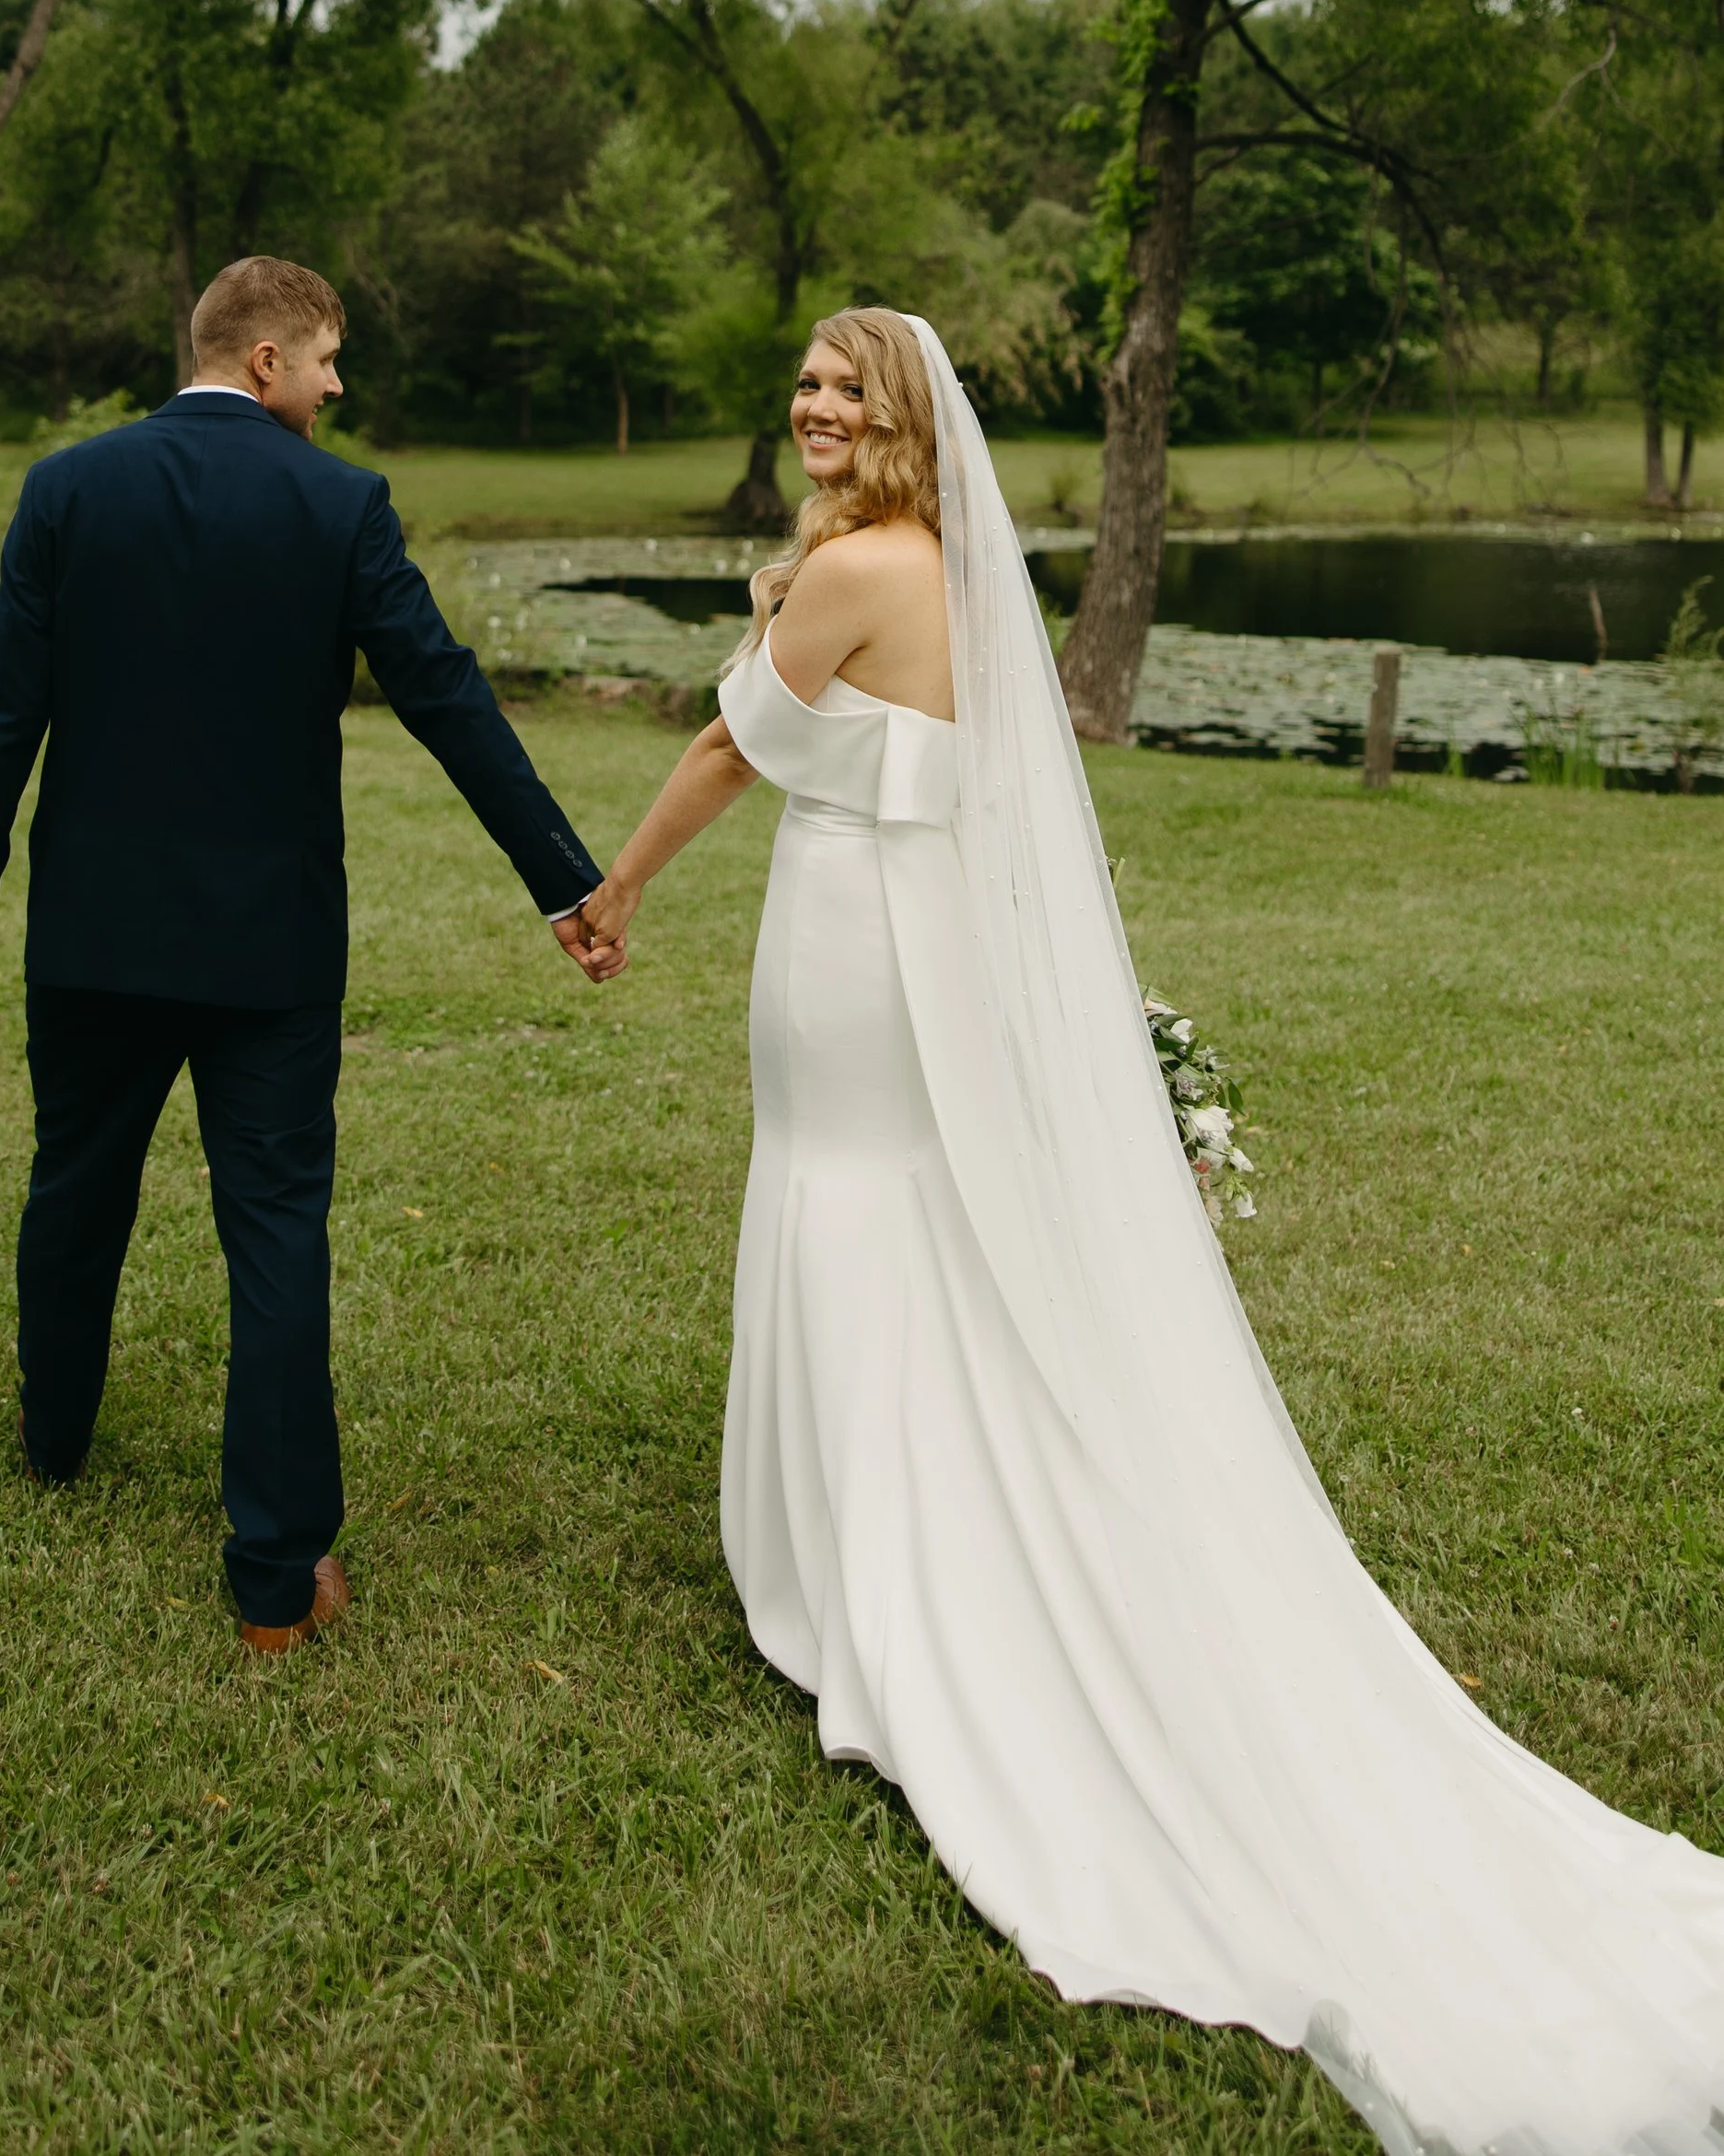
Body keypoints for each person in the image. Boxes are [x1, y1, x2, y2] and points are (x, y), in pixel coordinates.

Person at [581, 306, 1724, 2154]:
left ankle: (866, 1571)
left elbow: (731, 748)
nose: (805, 404)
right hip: (916, 938)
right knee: (896, 1219)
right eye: (796, 379)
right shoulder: (946, 564)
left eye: (837, 387)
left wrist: (616, 885)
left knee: (843, 1207)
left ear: (899, 419)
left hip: (852, 944)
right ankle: (876, 1522)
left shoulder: (860, 568)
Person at [0, 254, 619, 1657]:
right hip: (271, 950)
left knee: (76, 1186)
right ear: (262, 362)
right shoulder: (338, 502)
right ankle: (276, 1578)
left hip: (97, 935)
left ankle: (53, 1441)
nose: (338, 385)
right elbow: (446, 697)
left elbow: (4, 715)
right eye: (327, 359)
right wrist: (564, 878)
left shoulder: (67, 488)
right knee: (277, 1231)